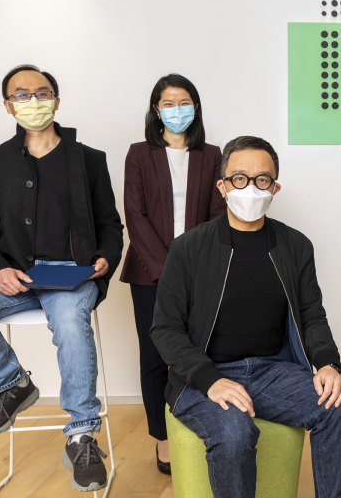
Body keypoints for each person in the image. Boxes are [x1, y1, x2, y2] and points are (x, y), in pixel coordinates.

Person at [0, 64, 123, 492]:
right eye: (21, 95)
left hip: (69, 275)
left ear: (56, 101)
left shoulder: (89, 160)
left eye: (41, 93)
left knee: (71, 323)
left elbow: (110, 225)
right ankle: (12, 384)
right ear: (8, 106)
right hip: (12, 275)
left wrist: (105, 257)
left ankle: (81, 435)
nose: (33, 101)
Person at [151, 136, 341, 498]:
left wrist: (327, 364)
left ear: (275, 187)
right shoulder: (188, 248)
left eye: (262, 179)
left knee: (338, 404)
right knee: (234, 432)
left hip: (272, 371)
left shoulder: (295, 245)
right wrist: (211, 380)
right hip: (204, 375)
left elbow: (311, 315)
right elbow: (166, 329)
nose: (251, 187)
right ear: (222, 186)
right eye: (239, 178)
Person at [120, 73, 226, 473]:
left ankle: (201, 428)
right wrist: (168, 270)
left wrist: (192, 269)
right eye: (168, 103)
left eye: (184, 103)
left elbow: (217, 214)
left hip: (201, 271)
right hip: (149, 274)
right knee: (154, 357)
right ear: (156, 109)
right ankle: (163, 439)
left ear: (195, 108)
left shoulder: (212, 155)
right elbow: (135, 214)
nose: (176, 110)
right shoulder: (139, 154)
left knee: (200, 352)